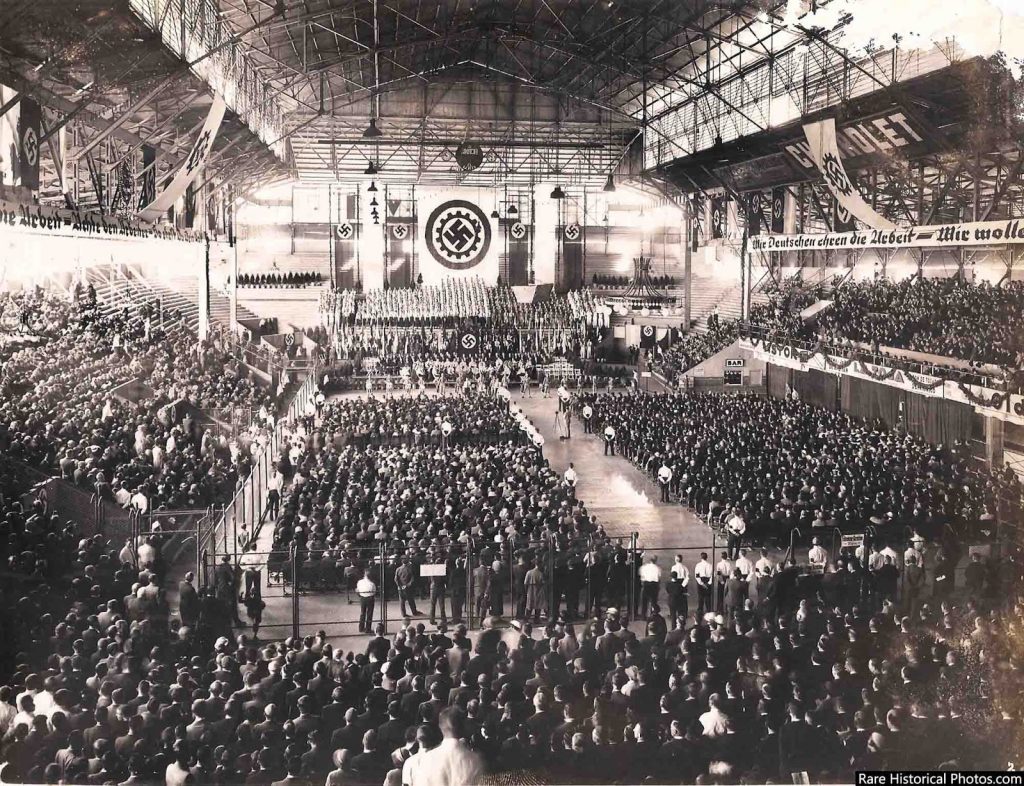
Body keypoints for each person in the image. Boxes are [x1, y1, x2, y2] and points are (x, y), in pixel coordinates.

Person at [694, 552, 714, 619]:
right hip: (708, 581)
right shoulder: (710, 565)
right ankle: (709, 612)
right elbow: (712, 575)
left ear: (701, 557)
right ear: (706, 557)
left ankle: (700, 612)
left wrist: (701, 583)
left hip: (701, 582)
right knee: (708, 597)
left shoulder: (698, 565)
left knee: (700, 597)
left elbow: (697, 576)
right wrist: (708, 583)